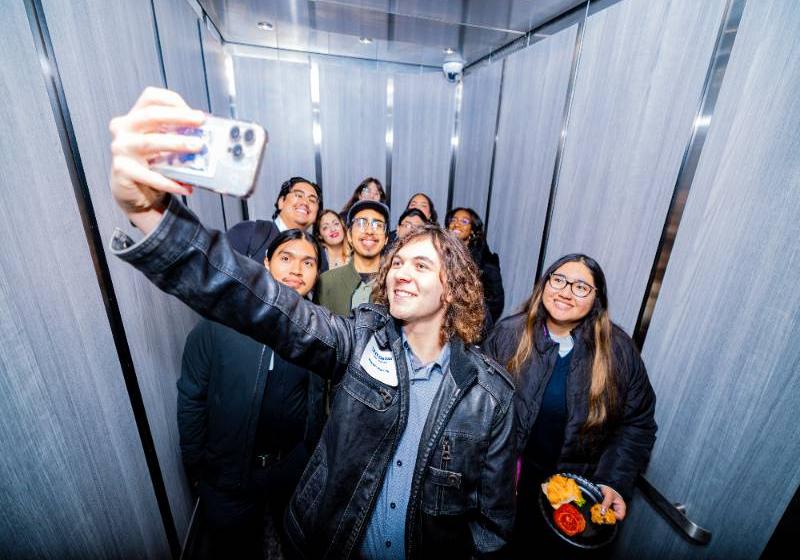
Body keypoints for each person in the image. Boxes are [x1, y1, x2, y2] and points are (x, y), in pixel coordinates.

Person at [108, 87, 516, 560]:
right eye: (398, 262)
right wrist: (152, 216)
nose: (401, 271)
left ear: (453, 288)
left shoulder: (491, 397)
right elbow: (259, 302)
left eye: (421, 266)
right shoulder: (360, 342)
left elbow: (491, 529)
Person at [483, 254, 657, 557]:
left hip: (573, 496)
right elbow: (477, 407)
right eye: (559, 280)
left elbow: (637, 423)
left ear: (596, 299)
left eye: (580, 287)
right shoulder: (508, 334)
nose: (565, 291)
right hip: (505, 484)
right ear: (545, 284)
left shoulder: (618, 351)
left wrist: (614, 481)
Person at [178, 229, 325, 559]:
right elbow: (191, 396)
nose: (296, 270)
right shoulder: (219, 324)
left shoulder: (318, 332)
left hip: (291, 467)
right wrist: (196, 467)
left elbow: (318, 399)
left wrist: (310, 453)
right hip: (229, 475)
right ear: (266, 263)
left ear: (317, 274)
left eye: (308, 262)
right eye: (286, 258)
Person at [226, 176, 326, 270]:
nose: (305, 203)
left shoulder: (318, 252)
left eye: (312, 200)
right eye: (299, 195)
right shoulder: (248, 232)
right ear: (281, 201)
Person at [316, 200, 389, 316]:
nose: (369, 231)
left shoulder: (394, 283)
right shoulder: (325, 282)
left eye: (378, 225)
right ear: (349, 235)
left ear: (386, 239)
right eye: (361, 223)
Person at [445, 207, 505, 325]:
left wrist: (477, 323)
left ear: (472, 230)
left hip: (467, 326)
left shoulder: (486, 262)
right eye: (453, 220)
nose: (456, 224)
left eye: (464, 221)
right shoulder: (437, 252)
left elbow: (496, 303)